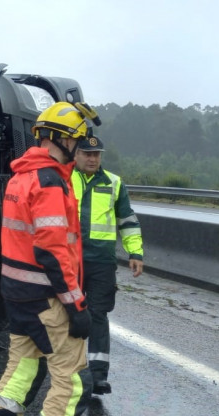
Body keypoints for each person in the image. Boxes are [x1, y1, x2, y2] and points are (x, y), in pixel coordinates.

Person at [0, 101, 94, 416]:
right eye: (78, 141)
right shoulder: (49, 182)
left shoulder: (21, 176)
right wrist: (76, 306)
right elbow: (52, 251)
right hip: (48, 301)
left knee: (21, 370)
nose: (81, 149)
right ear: (62, 140)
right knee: (74, 384)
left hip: (18, 296)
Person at [71, 135, 143, 396]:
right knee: (70, 313)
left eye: (97, 154)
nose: (92, 159)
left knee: (98, 315)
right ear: (76, 154)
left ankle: (98, 376)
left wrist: (135, 252)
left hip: (101, 261)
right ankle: (70, 371)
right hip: (71, 259)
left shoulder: (113, 183)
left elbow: (127, 220)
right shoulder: (65, 178)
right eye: (87, 154)